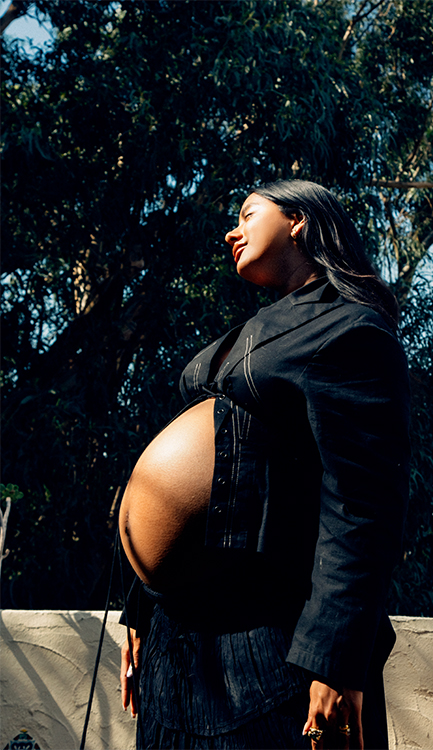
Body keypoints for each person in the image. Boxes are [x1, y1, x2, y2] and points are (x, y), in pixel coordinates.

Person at [117, 179, 410, 749]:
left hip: (266, 641)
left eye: (248, 214)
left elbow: (364, 505)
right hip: (177, 642)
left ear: (298, 220)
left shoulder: (350, 329)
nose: (232, 232)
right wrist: (142, 609)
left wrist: (334, 659)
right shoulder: (253, 332)